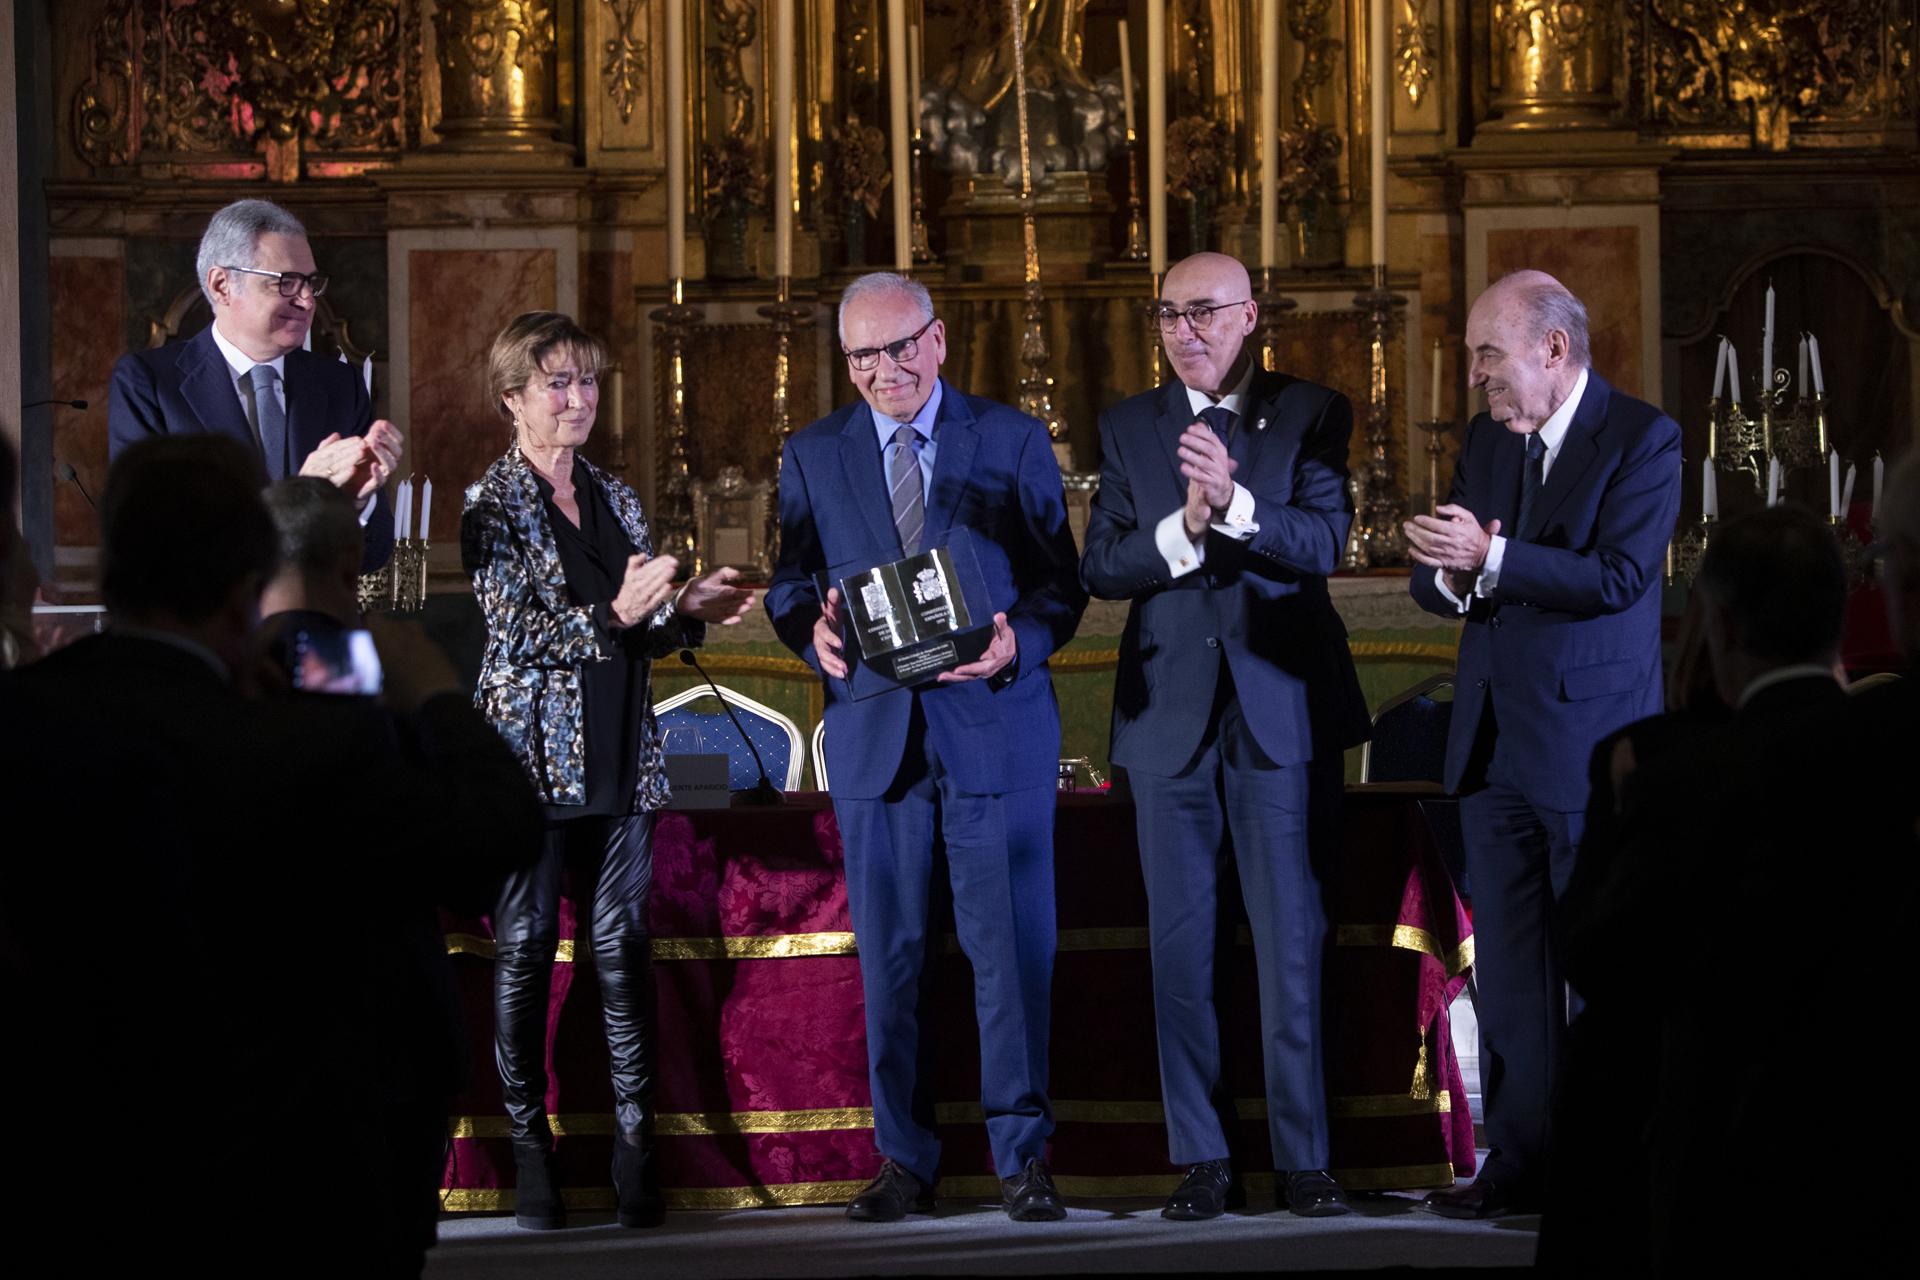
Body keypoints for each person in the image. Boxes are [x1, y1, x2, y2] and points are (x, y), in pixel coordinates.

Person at [1, 436, 542, 1276]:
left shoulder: (28, 716)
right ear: (249, 583)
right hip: (299, 1150)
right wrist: (436, 691)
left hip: (66, 1148)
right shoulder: (303, 719)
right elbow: (499, 827)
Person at [766, 272, 1086, 1223]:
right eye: (864, 355)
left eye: (902, 346)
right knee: (892, 960)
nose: (886, 369)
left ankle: (1023, 1158)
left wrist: (1014, 644)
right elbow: (791, 581)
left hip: (993, 728)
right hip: (875, 736)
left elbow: (1058, 588)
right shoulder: (813, 452)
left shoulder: (1015, 438)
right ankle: (903, 1160)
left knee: (1011, 955)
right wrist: (807, 635)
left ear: (940, 341)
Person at [1080, 252, 1369, 1220]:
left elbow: (1324, 541)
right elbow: (1105, 565)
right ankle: (1204, 1155)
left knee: (1292, 939)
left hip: (1279, 705)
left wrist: (1238, 507)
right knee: (1180, 943)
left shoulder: (1311, 410)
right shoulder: (1128, 424)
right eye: (1168, 314)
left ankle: (1306, 1158)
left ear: (1251, 315)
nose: (1184, 330)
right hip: (1168, 718)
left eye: (1203, 311)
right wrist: (1184, 530)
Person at [461, 311, 755, 1231]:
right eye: (558, 383)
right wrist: (622, 616)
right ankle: (532, 1155)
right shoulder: (489, 508)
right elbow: (518, 639)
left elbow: (642, 623)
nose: (578, 398)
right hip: (531, 766)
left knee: (622, 955)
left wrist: (689, 608)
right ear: (514, 398)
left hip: (623, 756)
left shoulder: (618, 497)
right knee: (523, 959)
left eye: (588, 380)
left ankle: (634, 1149)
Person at [1559, 504, 1910, 1273]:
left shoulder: (1676, 781)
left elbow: (1601, 959)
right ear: (1847, 610)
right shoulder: (1894, 753)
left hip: (1732, 1151)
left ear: (1714, 622)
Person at [1404, 269, 1681, 1219]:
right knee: (1513, 974)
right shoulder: (1487, 436)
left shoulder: (1644, 439)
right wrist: (1445, 573)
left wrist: (1492, 560)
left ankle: (1607, 1169)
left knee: (1597, 968)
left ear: (1553, 351)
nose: (1475, 375)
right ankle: (1520, 1164)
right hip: (1489, 746)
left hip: (1586, 746)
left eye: (1489, 355)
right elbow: (1440, 572)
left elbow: (1615, 578)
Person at [107, 197, 400, 570]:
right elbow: (147, 539)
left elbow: (373, 555)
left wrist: (356, 503)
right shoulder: (149, 385)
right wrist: (301, 502)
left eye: (311, 282)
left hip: (311, 621)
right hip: (207, 622)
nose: (307, 300)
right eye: (286, 282)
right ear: (221, 285)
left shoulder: (340, 385)